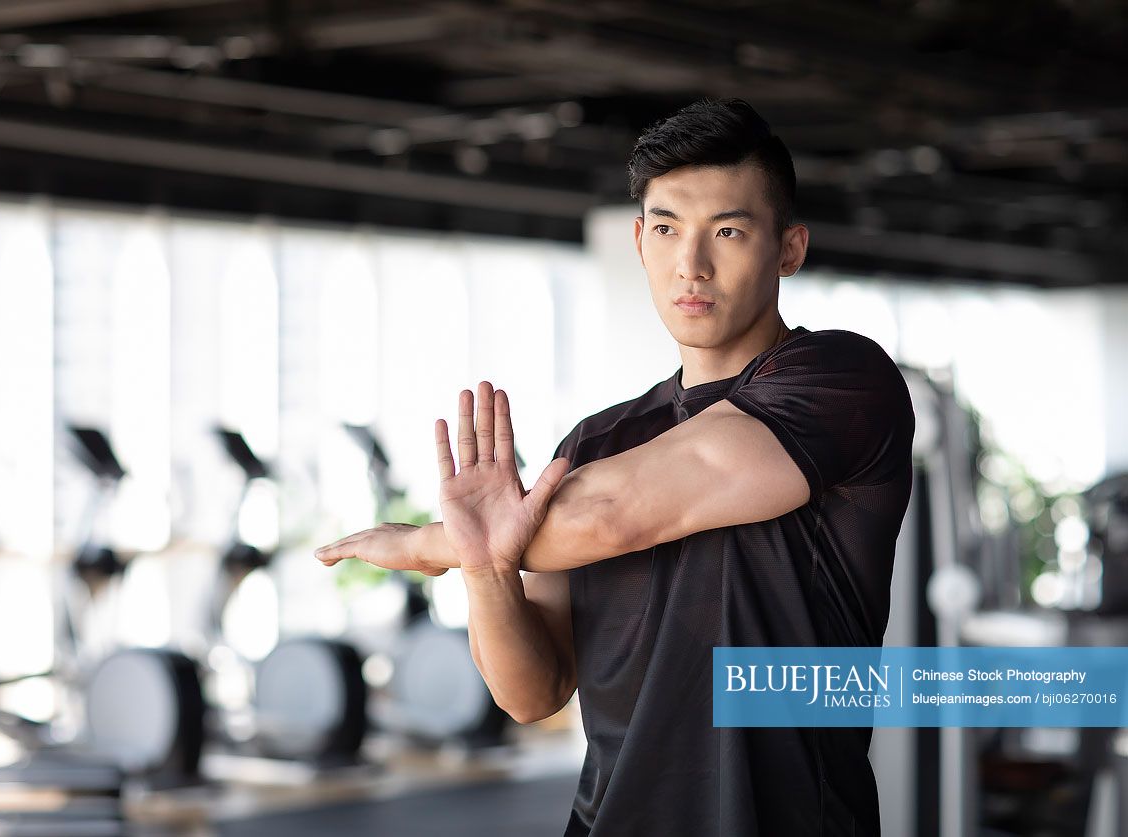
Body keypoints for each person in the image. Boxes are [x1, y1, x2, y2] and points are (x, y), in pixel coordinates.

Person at [315, 98, 915, 837]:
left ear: (788, 248)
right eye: (665, 229)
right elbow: (532, 691)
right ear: (638, 240)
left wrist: (420, 544)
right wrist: (481, 566)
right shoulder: (597, 441)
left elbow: (614, 515)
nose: (688, 264)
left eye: (726, 231)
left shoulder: (840, 378)